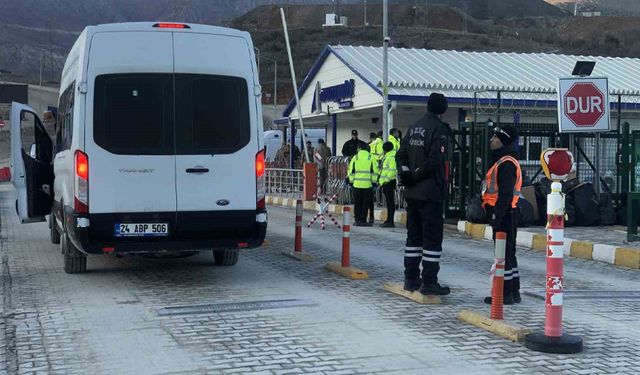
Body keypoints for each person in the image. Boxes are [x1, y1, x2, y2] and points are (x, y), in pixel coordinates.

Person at [396, 93, 451, 296]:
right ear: (443, 110)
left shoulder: (413, 127)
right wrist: (416, 175)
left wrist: (406, 173)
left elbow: (400, 154)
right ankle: (429, 281)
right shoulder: (439, 129)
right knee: (432, 239)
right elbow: (435, 161)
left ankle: (410, 279)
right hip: (430, 193)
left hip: (412, 194)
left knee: (413, 237)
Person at [482, 125, 522, 305]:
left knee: (503, 255)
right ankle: (513, 292)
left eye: (495, 138)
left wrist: (496, 217)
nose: (491, 140)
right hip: (508, 212)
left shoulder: (506, 163)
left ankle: (503, 294)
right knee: (509, 255)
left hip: (504, 214)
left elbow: (505, 194)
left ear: (503, 141)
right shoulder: (506, 160)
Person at [347, 143, 379, 226]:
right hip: (367, 185)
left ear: (359, 148)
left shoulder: (355, 157)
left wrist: (351, 181)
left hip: (356, 184)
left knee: (357, 203)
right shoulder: (371, 157)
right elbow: (375, 171)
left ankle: (357, 220)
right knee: (365, 203)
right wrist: (374, 182)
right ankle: (363, 220)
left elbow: (351, 171)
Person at [378, 141, 397, 228]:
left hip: (389, 182)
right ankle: (389, 220)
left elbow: (392, 171)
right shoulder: (388, 156)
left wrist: (386, 180)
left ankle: (391, 221)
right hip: (386, 182)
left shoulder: (391, 157)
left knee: (390, 203)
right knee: (389, 203)